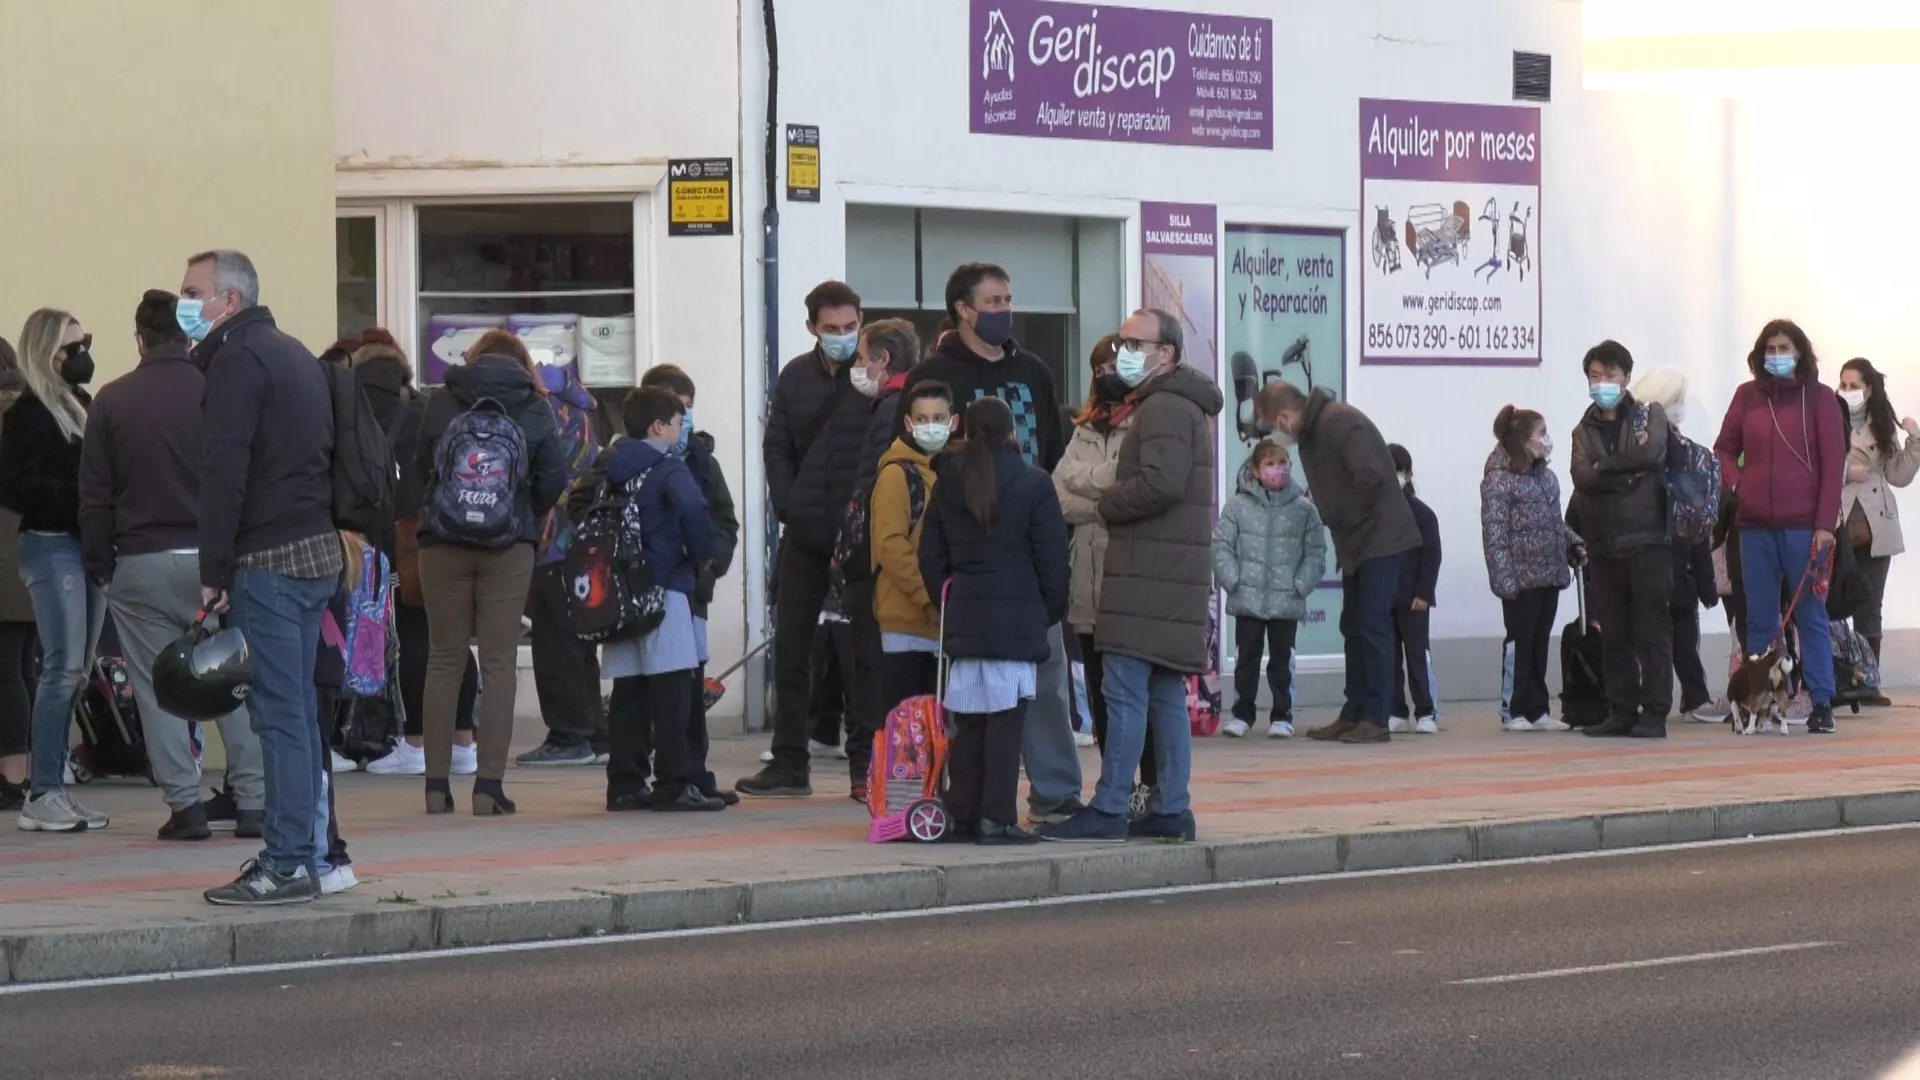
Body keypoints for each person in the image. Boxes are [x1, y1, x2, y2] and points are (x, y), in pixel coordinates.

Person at [78, 290, 265, 840]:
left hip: (141, 561)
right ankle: (253, 801)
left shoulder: (110, 400)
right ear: (189, 336)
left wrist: (99, 564)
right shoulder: (216, 389)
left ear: (139, 339)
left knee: (158, 685)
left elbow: (95, 495)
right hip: (216, 560)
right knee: (232, 679)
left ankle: (186, 807)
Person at [183, 250, 340, 904]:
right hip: (317, 550)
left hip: (269, 559)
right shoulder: (293, 352)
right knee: (298, 715)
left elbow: (224, 468)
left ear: (230, 301)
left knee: (278, 719)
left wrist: (213, 570)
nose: (184, 302)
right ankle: (306, 854)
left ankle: (285, 861)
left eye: (194, 291)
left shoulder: (237, 361)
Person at [899, 263, 1081, 823]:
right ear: (964, 309)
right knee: (972, 705)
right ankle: (971, 802)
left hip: (1029, 552)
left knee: (1045, 686)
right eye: (994, 298)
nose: (1005, 307)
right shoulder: (935, 372)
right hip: (970, 561)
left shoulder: (1034, 371)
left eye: (1009, 295)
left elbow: (1051, 450)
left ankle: (1053, 793)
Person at [1043, 309, 1220, 843]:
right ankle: (1171, 807)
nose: (1123, 351)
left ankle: (1110, 806)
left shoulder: (1163, 405)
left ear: (1165, 353)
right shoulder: (1177, 404)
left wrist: (1105, 508)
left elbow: (1160, 484)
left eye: (1134, 342)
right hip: (1167, 577)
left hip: (1146, 575)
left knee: (1123, 693)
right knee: (1164, 694)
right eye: (1121, 340)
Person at [414, 330, 566, 815]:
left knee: (444, 659)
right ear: (523, 363)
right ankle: (489, 787)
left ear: (473, 358)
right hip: (508, 544)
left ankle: (436, 786)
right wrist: (519, 511)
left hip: (442, 542)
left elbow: (423, 466)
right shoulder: (534, 404)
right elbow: (554, 478)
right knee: (499, 663)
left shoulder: (444, 399)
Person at [741, 281, 873, 798]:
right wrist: (788, 504)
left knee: (864, 651)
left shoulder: (876, 374)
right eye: (831, 328)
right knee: (792, 645)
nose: (842, 336)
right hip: (806, 530)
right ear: (812, 328)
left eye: (849, 326)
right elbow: (777, 447)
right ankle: (789, 761)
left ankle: (866, 763)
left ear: (861, 320)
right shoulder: (795, 376)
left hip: (860, 534)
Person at [918, 397, 1070, 845]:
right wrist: (1046, 612)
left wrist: (949, 599)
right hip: (1018, 619)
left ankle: (962, 812)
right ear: (1012, 433)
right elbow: (1053, 561)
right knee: (1005, 725)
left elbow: (931, 557)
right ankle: (996, 818)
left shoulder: (948, 483)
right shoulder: (1033, 484)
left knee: (969, 724)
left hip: (966, 615)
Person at [1255, 381, 1421, 745]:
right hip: (1358, 540)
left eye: (1273, 427)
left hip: (1379, 536)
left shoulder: (1339, 421)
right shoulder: (1316, 430)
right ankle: (1354, 712)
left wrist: (1338, 514)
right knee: (1354, 626)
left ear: (1284, 418)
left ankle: (1376, 717)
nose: (1277, 436)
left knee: (1373, 625)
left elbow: (1371, 478)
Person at [348, 332, 481, 776]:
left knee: (375, 635)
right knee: (444, 631)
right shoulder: (425, 407)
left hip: (367, 535)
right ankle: (463, 740)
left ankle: (409, 742)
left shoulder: (345, 404)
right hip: (430, 530)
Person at [0, 309, 108, 831]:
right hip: (50, 545)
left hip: (84, 548)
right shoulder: (27, 413)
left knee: (75, 670)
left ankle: (54, 785)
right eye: (71, 347)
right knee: (60, 667)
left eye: (84, 342)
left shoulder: (77, 406)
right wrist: (82, 501)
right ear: (46, 352)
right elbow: (16, 487)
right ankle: (41, 792)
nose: (81, 354)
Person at [1714, 321, 1846, 734]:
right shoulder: (1746, 397)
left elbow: (1834, 465)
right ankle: (1760, 704)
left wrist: (1825, 525)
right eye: (1769, 348)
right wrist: (1737, 484)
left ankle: (1821, 700)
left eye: (1784, 347)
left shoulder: (1821, 400)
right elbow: (1724, 448)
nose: (1776, 355)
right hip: (1754, 526)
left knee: (1810, 614)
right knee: (1759, 618)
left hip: (1805, 528)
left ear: (1801, 352)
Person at [594, 388, 721, 811]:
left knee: (628, 690)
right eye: (678, 422)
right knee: (672, 690)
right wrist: (704, 556)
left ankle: (625, 783)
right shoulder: (669, 468)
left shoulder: (609, 463)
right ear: (659, 427)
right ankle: (673, 782)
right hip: (663, 585)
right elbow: (694, 511)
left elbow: (579, 504)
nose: (683, 429)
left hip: (617, 590)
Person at [1054, 336, 1160, 804]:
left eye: (1114, 364)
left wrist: (1092, 486)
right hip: (1087, 582)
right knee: (1100, 696)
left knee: (1140, 695)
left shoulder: (1151, 420)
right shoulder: (1086, 426)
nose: (1106, 374)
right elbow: (1058, 492)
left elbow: (1132, 481)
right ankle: (1120, 787)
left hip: (1132, 581)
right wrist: (1106, 499)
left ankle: (1151, 786)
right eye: (1098, 368)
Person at [1566, 340, 1674, 739]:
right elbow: (1582, 478)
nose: (1602, 383)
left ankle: (1655, 711)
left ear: (1626, 378)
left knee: (1652, 631)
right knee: (1613, 633)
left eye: (1610, 375)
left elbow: (1651, 458)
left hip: (1647, 540)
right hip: (1603, 543)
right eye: (1595, 377)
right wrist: (1623, 471)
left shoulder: (1650, 415)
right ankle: (1621, 708)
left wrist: (1605, 467)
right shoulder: (1582, 429)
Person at [515, 350, 616, 766]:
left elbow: (539, 473)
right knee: (578, 640)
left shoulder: (539, 408)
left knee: (554, 641)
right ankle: (592, 731)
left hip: (550, 536)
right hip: (583, 539)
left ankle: (568, 735)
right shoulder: (583, 406)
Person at [1211, 440, 1327, 739]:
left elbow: (1315, 552)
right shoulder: (1237, 506)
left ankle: (1282, 715)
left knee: (1282, 659)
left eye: (1284, 462)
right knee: (1246, 657)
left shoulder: (1304, 509)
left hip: (1286, 599)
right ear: (1256, 470)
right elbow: (1221, 545)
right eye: (1271, 464)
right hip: (1247, 596)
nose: (1279, 470)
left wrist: (1300, 584)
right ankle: (1242, 714)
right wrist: (1233, 580)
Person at [1480, 406, 1585, 732]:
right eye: (1542, 433)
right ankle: (1514, 710)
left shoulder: (1545, 477)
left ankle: (1538, 709)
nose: (1547, 440)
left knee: (1539, 642)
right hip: (1520, 580)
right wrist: (1504, 581)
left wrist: (1573, 543)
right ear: (1524, 440)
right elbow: (1494, 534)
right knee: (1519, 643)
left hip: (1548, 575)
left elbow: (1554, 523)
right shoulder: (1498, 481)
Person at [1630, 366, 1720, 720]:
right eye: (1678, 401)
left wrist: (1706, 583)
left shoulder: (1688, 452)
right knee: (1651, 636)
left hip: (1680, 563)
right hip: (1646, 557)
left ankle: (1694, 697)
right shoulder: (1634, 450)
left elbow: (1698, 521)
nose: (1682, 408)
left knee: (1683, 635)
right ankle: (1653, 700)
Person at [871, 379, 950, 740]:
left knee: (937, 731)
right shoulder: (895, 474)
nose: (930, 425)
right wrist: (928, 597)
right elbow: (890, 546)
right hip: (905, 622)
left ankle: (930, 796)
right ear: (908, 423)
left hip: (943, 624)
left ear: (954, 421)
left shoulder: (954, 471)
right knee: (904, 732)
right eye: (922, 418)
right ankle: (903, 797)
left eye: (938, 417)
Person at [1837, 356, 1919, 702]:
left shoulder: (1883, 425)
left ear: (1869, 389)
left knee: (1870, 606)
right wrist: (1845, 474)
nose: (1848, 391)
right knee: (1832, 606)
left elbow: (1898, 475)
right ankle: (1835, 678)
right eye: (1843, 385)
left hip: (1876, 526)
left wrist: (1915, 440)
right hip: (1837, 523)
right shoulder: (1827, 419)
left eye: (1854, 386)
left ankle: (1869, 682)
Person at [0, 339, 40, 813]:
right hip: (34, 561)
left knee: (6, 671)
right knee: (26, 668)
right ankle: (27, 769)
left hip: (6, 564)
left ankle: (11, 774)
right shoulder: (33, 413)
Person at [1386, 444, 1442, 735]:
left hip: (1413, 599)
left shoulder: (1422, 514)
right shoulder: (1376, 515)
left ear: (1407, 473)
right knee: (1389, 656)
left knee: (1418, 655)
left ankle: (1426, 710)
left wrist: (1424, 593)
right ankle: (1396, 709)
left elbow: (1431, 556)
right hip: (1385, 598)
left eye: (1395, 470)